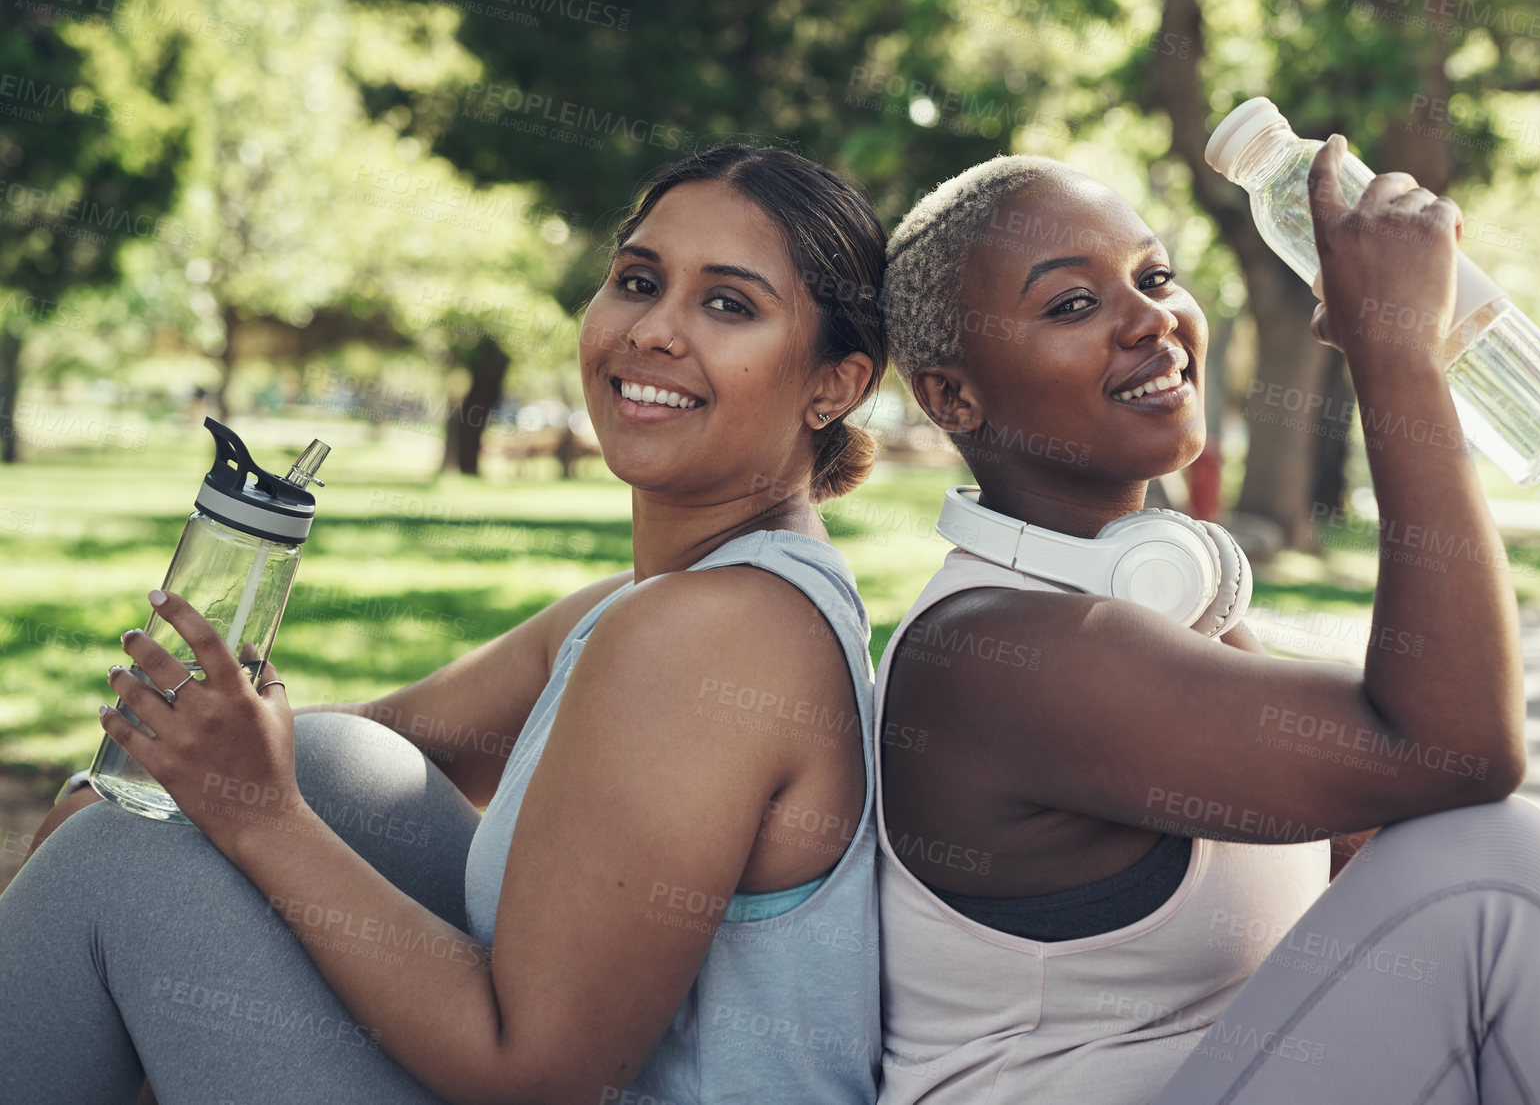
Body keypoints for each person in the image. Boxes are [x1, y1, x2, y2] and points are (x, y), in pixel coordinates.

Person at [0, 143, 888, 1104]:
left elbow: (543, 1075)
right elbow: (358, 751)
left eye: (728, 304)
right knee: (329, 759)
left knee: (115, 878)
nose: (656, 331)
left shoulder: (714, 637)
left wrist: (255, 816)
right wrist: (162, 773)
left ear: (834, 385)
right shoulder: (653, 608)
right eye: (639, 280)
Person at [871, 137, 1540, 1103]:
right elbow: (1459, 754)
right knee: (1492, 858)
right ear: (951, 395)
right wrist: (1398, 351)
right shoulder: (998, 654)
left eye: (1154, 275)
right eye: (1074, 303)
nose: (1150, 317)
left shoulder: (1160, 602)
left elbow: (1370, 832)